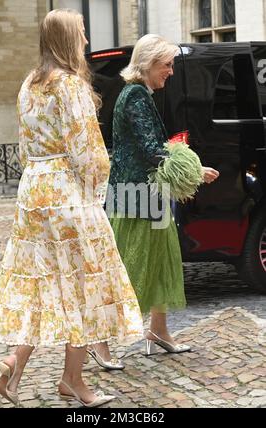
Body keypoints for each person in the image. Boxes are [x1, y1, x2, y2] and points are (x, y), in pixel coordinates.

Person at [0, 9, 143, 407]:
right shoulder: (70, 86)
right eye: (81, 34)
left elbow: (23, 147)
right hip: (67, 192)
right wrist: (97, 193)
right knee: (86, 284)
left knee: (42, 282)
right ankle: (74, 383)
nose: (85, 40)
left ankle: (14, 365)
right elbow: (88, 152)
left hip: (33, 190)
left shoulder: (28, 85)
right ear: (69, 39)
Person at [102, 34, 219, 356]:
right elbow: (152, 150)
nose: (170, 71)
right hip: (135, 194)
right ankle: (101, 343)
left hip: (144, 193)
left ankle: (158, 331)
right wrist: (195, 172)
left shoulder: (138, 93)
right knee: (132, 267)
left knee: (160, 262)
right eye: (166, 65)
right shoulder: (136, 95)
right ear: (149, 64)